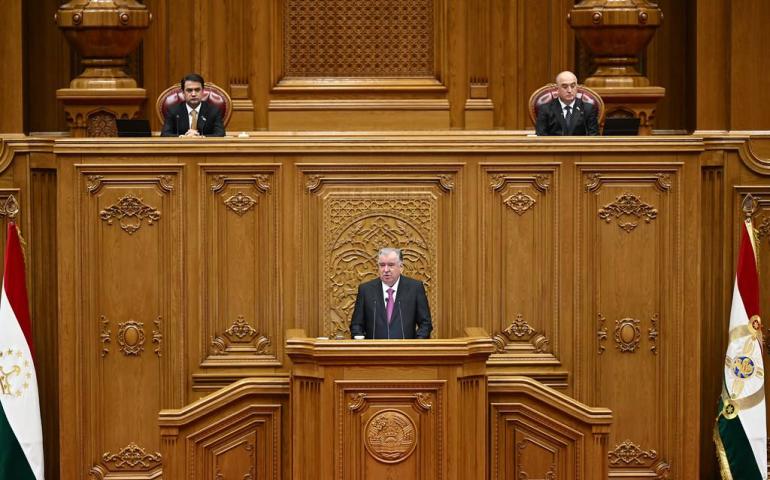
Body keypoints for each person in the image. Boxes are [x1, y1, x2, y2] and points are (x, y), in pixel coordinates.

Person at [350, 248, 433, 339]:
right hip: (374, 347)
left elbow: (425, 323)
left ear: (401, 267)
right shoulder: (366, 290)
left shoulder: (415, 288)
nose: (386, 270)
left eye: (391, 265)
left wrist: (417, 343)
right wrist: (360, 341)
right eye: (382, 265)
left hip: (406, 347)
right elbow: (356, 325)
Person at [535, 71, 599, 136]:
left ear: (577, 87)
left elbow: (594, 136)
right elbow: (541, 136)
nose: (569, 90)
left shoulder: (588, 109)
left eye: (573, 86)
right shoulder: (545, 109)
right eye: (565, 87)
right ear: (557, 89)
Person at [161, 73, 225, 137]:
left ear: (202, 91)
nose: (193, 94)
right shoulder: (173, 111)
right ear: (183, 93)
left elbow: (220, 134)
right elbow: (165, 134)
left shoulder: (214, 111)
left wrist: (201, 138)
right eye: (189, 90)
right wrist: (182, 137)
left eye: (197, 90)